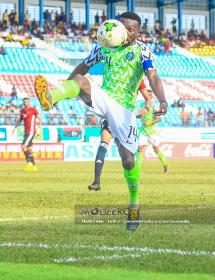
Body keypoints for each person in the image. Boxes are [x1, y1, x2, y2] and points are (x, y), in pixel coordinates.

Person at [35, 12, 168, 231]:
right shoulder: (104, 45)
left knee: (128, 162)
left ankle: (134, 205)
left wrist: (162, 100)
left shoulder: (142, 51)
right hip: (105, 99)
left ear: (138, 31)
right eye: (122, 28)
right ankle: (51, 97)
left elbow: (152, 77)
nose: (125, 33)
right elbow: (82, 68)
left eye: (131, 30)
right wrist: (63, 92)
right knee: (79, 80)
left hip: (125, 110)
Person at [88, 80, 150, 191]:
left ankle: (133, 186)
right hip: (111, 115)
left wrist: (146, 109)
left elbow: (148, 99)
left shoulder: (137, 78)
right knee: (103, 146)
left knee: (128, 158)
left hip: (126, 119)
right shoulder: (113, 73)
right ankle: (96, 181)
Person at [136, 89, 169, 173]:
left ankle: (165, 164)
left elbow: (159, 118)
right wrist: (136, 116)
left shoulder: (154, 106)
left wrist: (149, 122)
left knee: (156, 149)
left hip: (152, 132)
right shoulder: (142, 105)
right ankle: (138, 170)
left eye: (150, 95)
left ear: (152, 96)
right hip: (143, 131)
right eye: (147, 95)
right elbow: (142, 116)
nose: (148, 96)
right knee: (140, 148)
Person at [12, 98, 42, 171]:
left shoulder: (33, 109)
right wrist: (14, 127)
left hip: (31, 131)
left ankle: (28, 163)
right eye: (24, 102)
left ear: (29, 102)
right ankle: (34, 166)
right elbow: (20, 120)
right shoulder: (22, 111)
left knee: (23, 146)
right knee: (29, 149)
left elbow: (40, 120)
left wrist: (39, 129)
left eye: (27, 102)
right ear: (23, 103)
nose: (25, 103)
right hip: (26, 132)